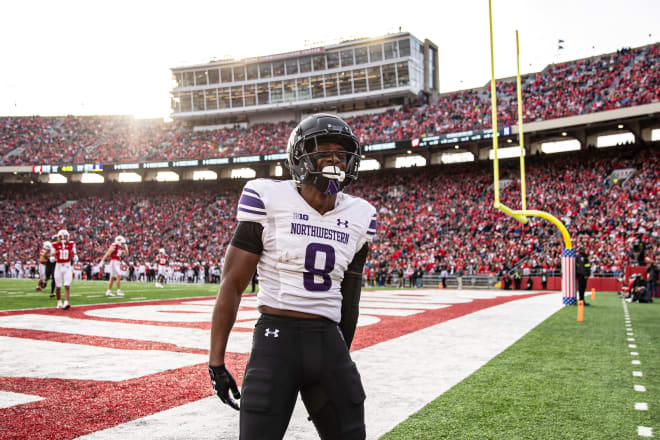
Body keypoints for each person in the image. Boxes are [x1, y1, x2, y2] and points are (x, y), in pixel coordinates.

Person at [208, 113, 375, 439]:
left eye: (341, 154)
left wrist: (340, 361)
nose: (334, 160)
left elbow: (349, 301)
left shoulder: (360, 215)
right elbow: (232, 284)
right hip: (275, 341)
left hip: (328, 343)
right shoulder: (268, 198)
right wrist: (216, 361)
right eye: (323, 151)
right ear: (300, 157)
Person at [51, 229, 77, 310]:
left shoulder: (71, 244)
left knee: (67, 285)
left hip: (67, 266)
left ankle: (66, 302)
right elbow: (52, 255)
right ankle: (59, 302)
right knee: (58, 286)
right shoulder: (54, 245)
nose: (63, 238)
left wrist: (75, 257)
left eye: (65, 237)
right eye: (61, 237)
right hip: (58, 266)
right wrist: (52, 257)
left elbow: (74, 254)